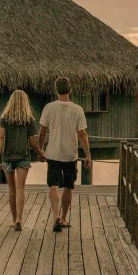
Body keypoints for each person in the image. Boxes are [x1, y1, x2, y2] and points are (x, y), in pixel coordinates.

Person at [38, 77, 91, 232]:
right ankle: (64, 217)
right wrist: (87, 154)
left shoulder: (49, 107)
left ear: (56, 90)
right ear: (70, 89)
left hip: (53, 153)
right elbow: (82, 134)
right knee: (68, 186)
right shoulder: (77, 109)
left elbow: (42, 132)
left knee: (53, 185)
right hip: (70, 154)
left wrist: (40, 149)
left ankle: (55, 214)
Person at [0, 90, 45, 230]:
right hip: (23, 157)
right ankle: (19, 218)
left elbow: (0, 137)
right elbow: (32, 142)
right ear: (25, 102)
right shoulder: (29, 119)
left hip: (8, 157)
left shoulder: (5, 118)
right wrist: (40, 154)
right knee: (20, 188)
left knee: (11, 189)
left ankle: (13, 219)